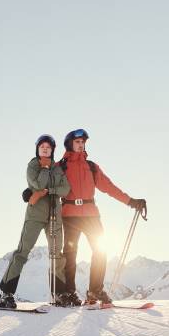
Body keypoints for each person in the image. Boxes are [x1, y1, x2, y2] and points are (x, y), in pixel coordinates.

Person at [60, 128, 147, 306]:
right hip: (69, 215)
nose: (80, 144)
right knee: (70, 255)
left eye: (83, 142)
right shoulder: (61, 167)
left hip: (91, 215)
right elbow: (48, 186)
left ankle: (95, 291)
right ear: (70, 144)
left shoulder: (91, 167)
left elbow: (109, 187)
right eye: (77, 142)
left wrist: (131, 201)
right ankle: (69, 293)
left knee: (100, 251)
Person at [0, 134, 71, 308]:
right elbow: (36, 186)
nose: (45, 149)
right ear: (37, 149)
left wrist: (49, 190)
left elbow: (65, 189)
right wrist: (44, 170)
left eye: (48, 147)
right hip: (35, 215)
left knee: (56, 253)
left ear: (52, 150)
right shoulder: (33, 165)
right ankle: (6, 294)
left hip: (54, 214)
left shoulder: (58, 168)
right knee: (23, 251)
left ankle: (58, 294)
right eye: (42, 146)